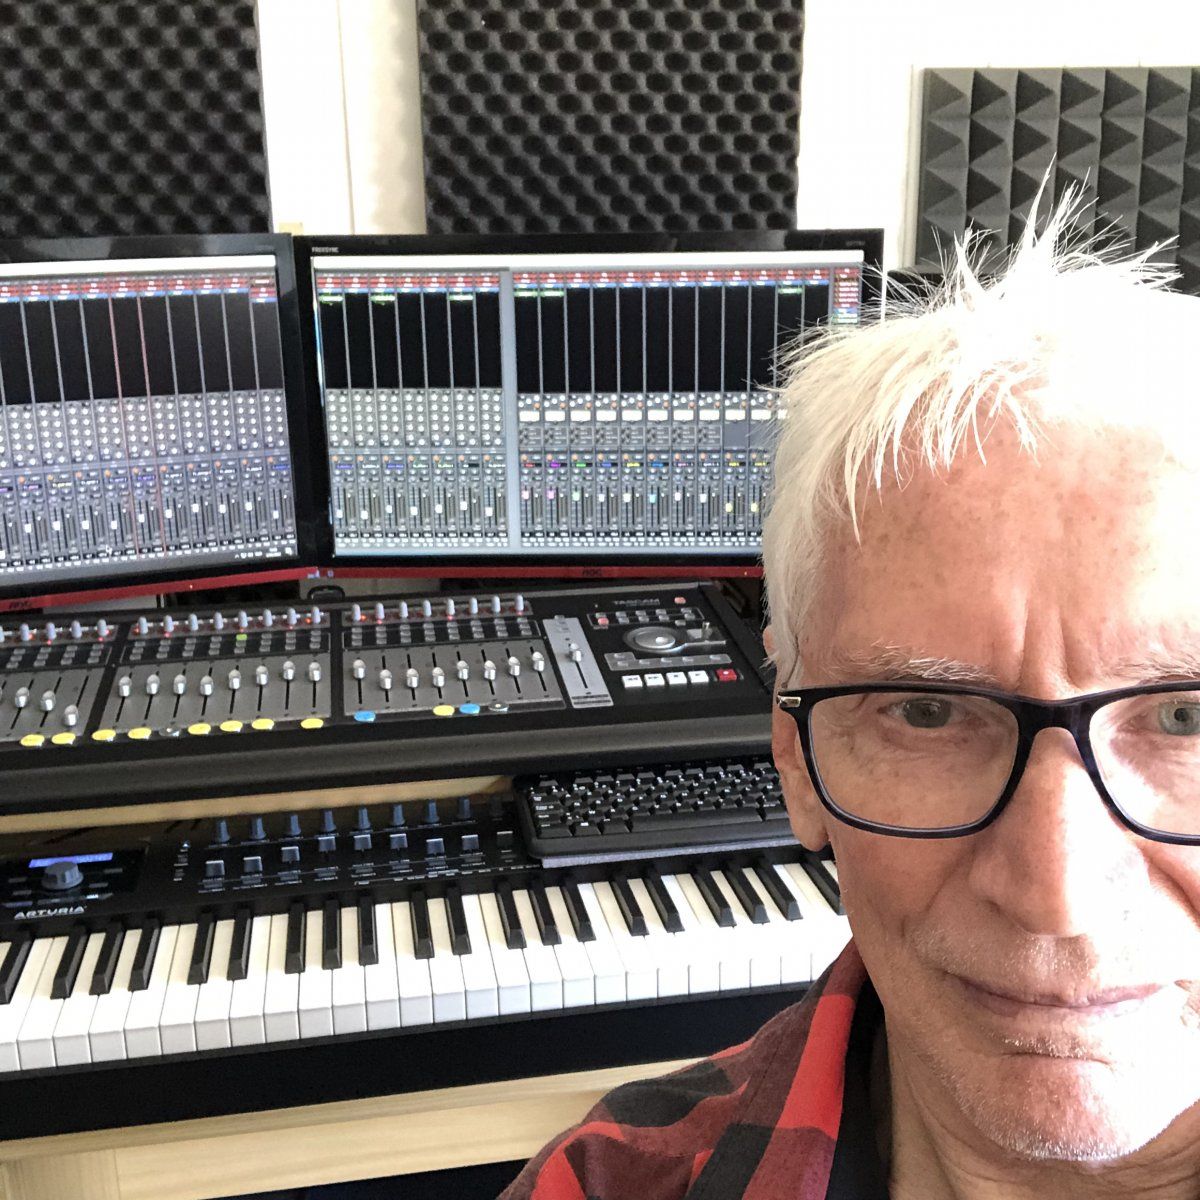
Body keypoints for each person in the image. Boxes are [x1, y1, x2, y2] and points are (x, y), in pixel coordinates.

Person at [500, 201, 1200, 1200]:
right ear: (794, 759)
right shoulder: (602, 1185)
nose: (1057, 894)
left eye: (1183, 718)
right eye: (926, 712)